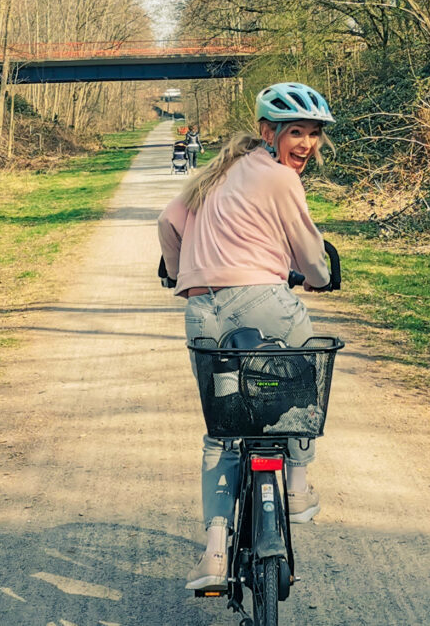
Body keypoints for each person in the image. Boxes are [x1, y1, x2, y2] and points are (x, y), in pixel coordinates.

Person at [156, 82, 334, 591]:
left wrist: (179, 271)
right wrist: (319, 276)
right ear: (267, 132)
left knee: (222, 427)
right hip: (263, 299)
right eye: (295, 132)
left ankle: (214, 553)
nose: (306, 144)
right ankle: (296, 489)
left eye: (313, 135)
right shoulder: (280, 179)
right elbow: (310, 254)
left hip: (203, 312)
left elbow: (169, 221)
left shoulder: (214, 175)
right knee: (304, 384)